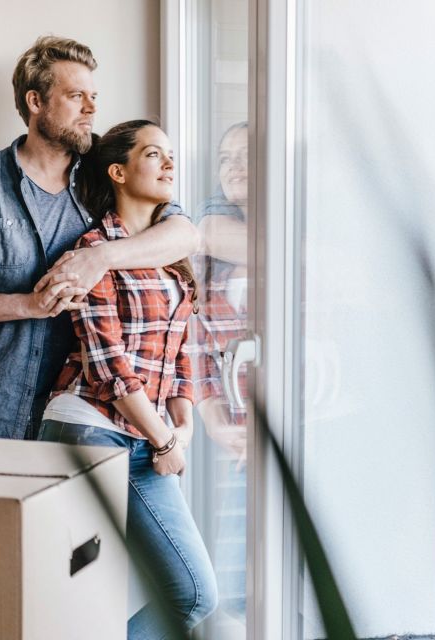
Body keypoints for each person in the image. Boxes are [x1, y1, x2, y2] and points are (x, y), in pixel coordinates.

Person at [0, 36, 199, 440]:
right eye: (76, 96)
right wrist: (29, 305)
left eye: (93, 96)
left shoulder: (104, 174)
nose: (92, 108)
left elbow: (185, 235)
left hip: (77, 415)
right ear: (36, 102)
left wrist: (99, 258)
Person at [38, 120, 218, 639]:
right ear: (118, 171)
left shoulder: (169, 252)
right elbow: (108, 365)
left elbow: (181, 346)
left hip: (143, 434)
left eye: (170, 155)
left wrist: (181, 418)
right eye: (153, 154)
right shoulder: (89, 254)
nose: (169, 164)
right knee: (85, 593)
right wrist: (163, 438)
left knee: (190, 593)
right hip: (87, 429)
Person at [192, 121, 249, 626]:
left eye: (248, 154)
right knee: (230, 591)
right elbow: (200, 348)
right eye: (226, 157)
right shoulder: (214, 248)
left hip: (301, 432)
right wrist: (214, 420)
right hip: (234, 439)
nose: (234, 166)